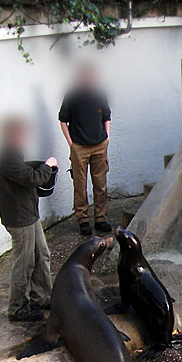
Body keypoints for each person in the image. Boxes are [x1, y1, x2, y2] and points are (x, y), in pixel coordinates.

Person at [0, 116, 58, 322]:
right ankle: (18, 308)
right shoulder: (6, 157)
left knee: (42, 255)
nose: (25, 138)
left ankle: (41, 297)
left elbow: (26, 176)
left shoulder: (13, 154)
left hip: (30, 215)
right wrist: (48, 166)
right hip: (20, 220)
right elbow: (32, 179)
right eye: (21, 134)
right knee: (24, 263)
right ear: (10, 135)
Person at [59, 63, 112, 236]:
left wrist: (107, 137)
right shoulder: (72, 96)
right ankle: (83, 220)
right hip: (79, 147)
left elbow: (107, 117)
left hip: (99, 145)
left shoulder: (99, 95)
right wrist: (71, 144)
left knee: (100, 184)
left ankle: (100, 219)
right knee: (80, 186)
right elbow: (63, 120)